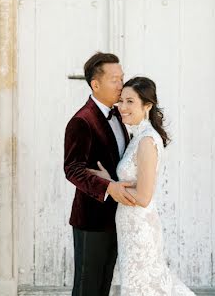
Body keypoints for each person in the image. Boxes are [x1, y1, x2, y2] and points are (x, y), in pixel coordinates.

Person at [89, 76, 194, 296]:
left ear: (147, 106)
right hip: (129, 228)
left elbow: (144, 197)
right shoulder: (137, 137)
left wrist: (109, 185)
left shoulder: (147, 140)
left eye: (130, 102)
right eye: (121, 101)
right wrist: (110, 180)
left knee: (145, 286)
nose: (122, 107)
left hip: (140, 230)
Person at [63, 52, 136, 296]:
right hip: (91, 220)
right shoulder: (82, 120)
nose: (121, 84)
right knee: (87, 288)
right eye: (115, 79)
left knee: (103, 286)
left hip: (116, 217)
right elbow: (72, 169)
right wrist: (108, 187)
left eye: (122, 78)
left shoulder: (120, 114)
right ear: (96, 84)